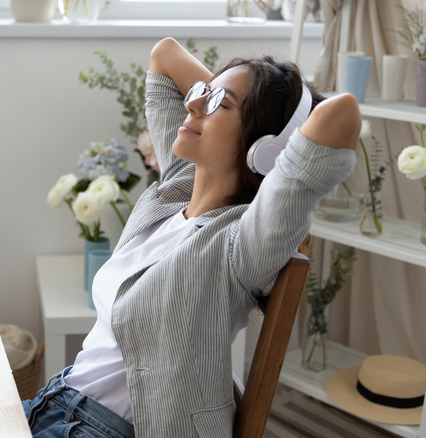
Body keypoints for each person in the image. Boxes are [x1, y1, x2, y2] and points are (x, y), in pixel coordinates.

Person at [24, 37, 361, 437]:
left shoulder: (244, 242)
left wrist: (277, 127)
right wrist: (225, 95)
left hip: (108, 429)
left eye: (220, 103)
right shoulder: (176, 189)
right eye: (203, 92)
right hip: (57, 399)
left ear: (266, 148)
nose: (192, 104)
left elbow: (342, 114)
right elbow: (165, 55)